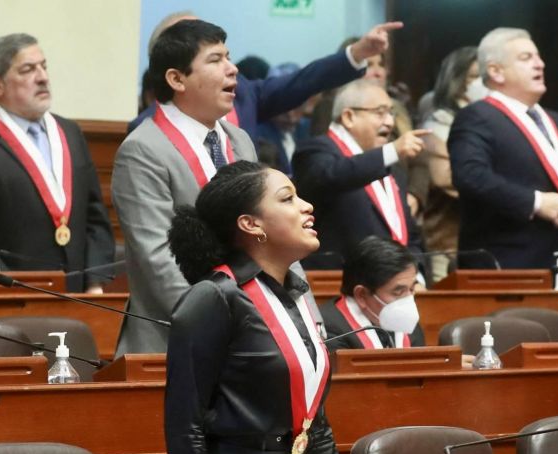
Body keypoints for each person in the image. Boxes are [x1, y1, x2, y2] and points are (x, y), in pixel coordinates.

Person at [143, 160, 355, 454]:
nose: (306, 206)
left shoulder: (296, 295)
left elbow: (313, 420)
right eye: (287, 199)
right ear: (251, 224)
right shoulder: (213, 297)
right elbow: (185, 421)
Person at [113, 19, 316, 356]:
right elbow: (159, 260)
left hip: (254, 334)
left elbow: (275, 233)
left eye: (229, 57)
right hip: (178, 343)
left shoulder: (239, 140)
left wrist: (305, 317)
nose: (232, 69)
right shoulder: (143, 149)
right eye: (215, 60)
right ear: (177, 79)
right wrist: (229, 327)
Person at [0, 33, 114, 292]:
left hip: (79, 294)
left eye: (43, 66)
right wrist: (5, 283)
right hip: (8, 296)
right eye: (27, 70)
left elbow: (95, 214)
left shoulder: (70, 132)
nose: (43, 77)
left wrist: (95, 281)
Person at [448, 27, 558, 269]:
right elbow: (471, 176)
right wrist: (535, 202)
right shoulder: (477, 116)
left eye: (538, 57)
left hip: (556, 260)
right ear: (496, 71)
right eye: (526, 58)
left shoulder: (555, 120)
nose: (540, 64)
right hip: (503, 264)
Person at [130, 12, 401, 140]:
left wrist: (358, 52)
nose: (231, 68)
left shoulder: (243, 93)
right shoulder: (147, 131)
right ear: (174, 73)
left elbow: (303, 81)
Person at [291, 79, 427, 268]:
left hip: (396, 279)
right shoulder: (315, 151)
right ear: (349, 117)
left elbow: (410, 233)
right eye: (380, 113)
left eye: (391, 113)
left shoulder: (390, 164)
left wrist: (417, 272)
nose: (390, 122)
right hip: (336, 278)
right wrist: (391, 152)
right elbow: (333, 176)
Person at [416, 46, 482, 280]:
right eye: (475, 77)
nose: (484, 84)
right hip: (446, 241)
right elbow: (446, 178)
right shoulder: (437, 125)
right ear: (457, 80)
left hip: (484, 239)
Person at [320, 236, 425, 355]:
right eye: (399, 292)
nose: (408, 300)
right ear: (361, 295)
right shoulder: (329, 330)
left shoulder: (408, 322)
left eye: (412, 289)